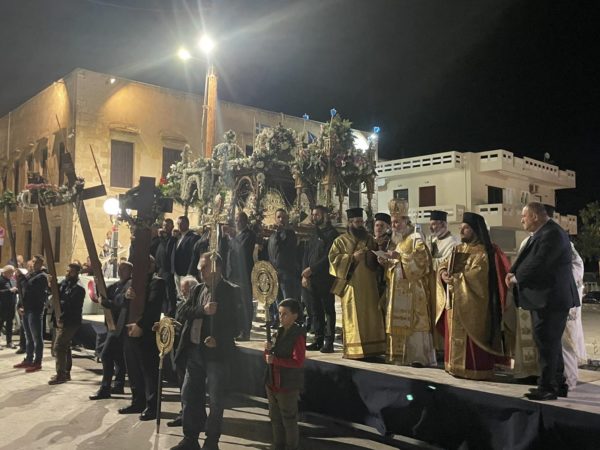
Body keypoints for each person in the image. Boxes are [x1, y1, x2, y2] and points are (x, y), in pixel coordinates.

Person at [506, 202, 579, 400]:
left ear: (535, 216)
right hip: (547, 299)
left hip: (551, 299)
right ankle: (557, 384)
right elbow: (528, 258)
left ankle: (547, 387)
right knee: (551, 343)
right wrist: (512, 271)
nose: (522, 220)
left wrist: (516, 277)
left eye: (524, 216)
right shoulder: (544, 233)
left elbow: (539, 262)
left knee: (547, 343)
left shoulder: (552, 234)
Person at [172, 252, 240, 450]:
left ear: (216, 268)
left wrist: (219, 339)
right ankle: (190, 438)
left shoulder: (231, 291)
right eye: (200, 268)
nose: (200, 271)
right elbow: (183, 312)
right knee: (189, 396)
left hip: (216, 355)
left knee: (216, 400)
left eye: (204, 268)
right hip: (194, 351)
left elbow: (237, 325)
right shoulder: (198, 289)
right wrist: (203, 310)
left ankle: (211, 441)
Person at [438, 212, 504, 380]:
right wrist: (443, 273)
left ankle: (473, 369)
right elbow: (444, 265)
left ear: (475, 230)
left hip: (473, 305)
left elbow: (477, 277)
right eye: (461, 228)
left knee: (472, 340)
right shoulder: (458, 248)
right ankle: (454, 366)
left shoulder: (483, 252)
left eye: (466, 228)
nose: (461, 231)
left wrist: (456, 278)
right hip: (454, 303)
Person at [379, 199, 436, 367]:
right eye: (392, 222)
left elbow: (423, 262)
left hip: (413, 291)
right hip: (398, 291)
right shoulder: (399, 241)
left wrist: (400, 257)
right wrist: (386, 262)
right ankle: (400, 356)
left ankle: (417, 357)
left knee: (415, 323)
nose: (393, 225)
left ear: (406, 221)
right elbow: (396, 265)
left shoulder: (416, 238)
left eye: (397, 222)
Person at [329, 207, 385, 359]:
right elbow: (333, 261)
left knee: (371, 314)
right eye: (357, 222)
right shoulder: (340, 241)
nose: (360, 224)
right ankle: (355, 350)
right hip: (351, 285)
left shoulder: (370, 239)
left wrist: (379, 250)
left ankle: (374, 348)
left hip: (370, 284)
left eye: (361, 221)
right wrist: (352, 258)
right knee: (354, 315)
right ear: (350, 222)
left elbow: (377, 261)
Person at [119, 256, 164, 420]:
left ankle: (152, 407)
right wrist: (126, 296)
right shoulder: (132, 282)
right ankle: (137, 401)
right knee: (133, 369)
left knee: (149, 371)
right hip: (129, 330)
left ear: (151, 266)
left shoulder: (157, 283)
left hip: (146, 333)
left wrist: (140, 325)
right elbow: (119, 301)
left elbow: (152, 308)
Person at [264, 298, 306, 450]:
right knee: (275, 417)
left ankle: (290, 447)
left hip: (287, 383)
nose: (280, 317)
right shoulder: (279, 332)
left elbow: (298, 362)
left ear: (295, 315)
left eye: (285, 314)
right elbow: (268, 357)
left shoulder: (298, 335)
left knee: (289, 419)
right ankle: (278, 445)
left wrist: (275, 360)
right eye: (279, 313)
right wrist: (267, 349)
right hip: (272, 381)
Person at [89, 261, 132, 400]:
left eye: (123, 269)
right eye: (119, 269)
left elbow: (120, 302)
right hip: (111, 324)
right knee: (118, 357)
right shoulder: (116, 285)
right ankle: (118, 385)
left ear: (130, 271)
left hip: (120, 326)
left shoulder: (130, 285)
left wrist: (107, 303)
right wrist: (98, 284)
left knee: (106, 355)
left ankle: (105, 388)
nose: (120, 271)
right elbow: (104, 294)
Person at [302, 206, 339, 353]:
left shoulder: (332, 234)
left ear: (325, 215)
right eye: (313, 214)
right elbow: (306, 253)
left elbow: (329, 257)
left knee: (328, 310)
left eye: (317, 214)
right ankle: (318, 339)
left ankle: (329, 342)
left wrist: (312, 269)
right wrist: (304, 273)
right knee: (315, 310)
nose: (314, 217)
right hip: (311, 279)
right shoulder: (314, 233)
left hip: (325, 278)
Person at [167, 275, 200, 428]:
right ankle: (184, 413)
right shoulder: (181, 304)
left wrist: (180, 327)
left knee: (190, 388)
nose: (183, 294)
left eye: (186, 291)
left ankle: (191, 416)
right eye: (182, 291)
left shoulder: (196, 305)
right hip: (178, 347)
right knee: (182, 384)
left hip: (190, 349)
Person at [49, 262, 85, 384]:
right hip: (61, 319)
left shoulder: (78, 288)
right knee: (65, 346)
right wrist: (51, 285)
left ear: (77, 273)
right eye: (67, 271)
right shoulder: (65, 283)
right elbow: (56, 293)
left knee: (59, 346)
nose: (68, 273)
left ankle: (61, 374)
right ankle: (65, 372)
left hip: (70, 321)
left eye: (71, 271)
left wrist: (62, 316)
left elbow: (71, 306)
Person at [226, 211, 257, 341]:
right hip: (232, 274)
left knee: (245, 304)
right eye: (236, 220)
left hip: (243, 275)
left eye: (240, 220)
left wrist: (232, 238)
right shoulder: (236, 235)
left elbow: (241, 251)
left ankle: (245, 331)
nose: (238, 223)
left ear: (245, 221)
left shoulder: (249, 235)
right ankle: (236, 329)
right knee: (235, 303)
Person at [13, 255, 48, 373]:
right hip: (26, 309)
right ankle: (28, 359)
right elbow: (22, 291)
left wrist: (21, 277)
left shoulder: (42, 276)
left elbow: (30, 288)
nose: (33, 264)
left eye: (36, 262)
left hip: (35, 310)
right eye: (32, 261)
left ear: (41, 264)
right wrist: (19, 305)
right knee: (28, 337)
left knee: (36, 337)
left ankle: (37, 362)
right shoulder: (30, 275)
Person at [267, 209, 299, 326]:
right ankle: (280, 322)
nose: (281, 220)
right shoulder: (272, 235)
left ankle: (290, 325)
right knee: (277, 301)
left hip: (286, 273)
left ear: (287, 219)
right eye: (279, 217)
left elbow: (284, 249)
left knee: (287, 302)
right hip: (274, 273)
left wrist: (278, 233)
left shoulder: (290, 234)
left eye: (284, 217)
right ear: (275, 219)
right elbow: (271, 253)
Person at [172, 215, 200, 297]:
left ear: (187, 224)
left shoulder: (193, 237)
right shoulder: (178, 237)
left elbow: (194, 256)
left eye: (181, 224)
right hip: (177, 272)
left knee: (187, 295)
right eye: (178, 224)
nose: (179, 226)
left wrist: (190, 273)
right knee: (180, 295)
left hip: (186, 272)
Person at [155, 218, 178, 316]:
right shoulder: (162, 238)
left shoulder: (172, 239)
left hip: (168, 270)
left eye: (167, 226)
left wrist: (162, 237)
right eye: (164, 225)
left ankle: (170, 313)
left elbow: (167, 250)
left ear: (172, 227)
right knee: (161, 293)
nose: (165, 227)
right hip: (160, 269)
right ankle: (164, 311)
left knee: (169, 293)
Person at [373, 212, 392, 300]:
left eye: (382, 226)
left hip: (385, 280)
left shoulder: (391, 242)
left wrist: (385, 263)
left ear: (387, 228)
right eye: (377, 225)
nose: (378, 228)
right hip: (372, 280)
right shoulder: (370, 241)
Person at [0, 265, 18, 349]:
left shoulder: (13, 280)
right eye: (11, 272)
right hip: (2, 305)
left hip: (11, 305)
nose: (12, 274)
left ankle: (9, 341)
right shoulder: (0, 280)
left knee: (10, 324)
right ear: (5, 272)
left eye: (13, 272)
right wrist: (8, 291)